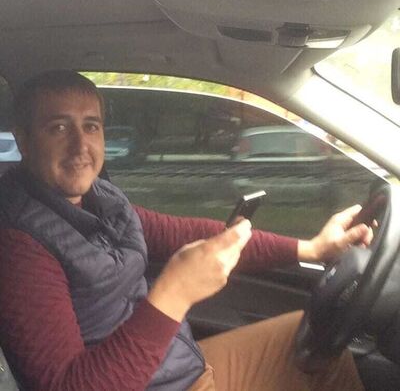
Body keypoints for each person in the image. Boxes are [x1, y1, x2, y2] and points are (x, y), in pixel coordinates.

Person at [0, 70, 372, 391]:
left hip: (177, 367)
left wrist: (312, 249)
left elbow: (185, 231)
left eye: (91, 126)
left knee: (319, 345)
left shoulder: (102, 198)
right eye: (59, 128)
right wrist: (172, 295)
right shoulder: (19, 245)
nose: (80, 145)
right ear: (24, 140)